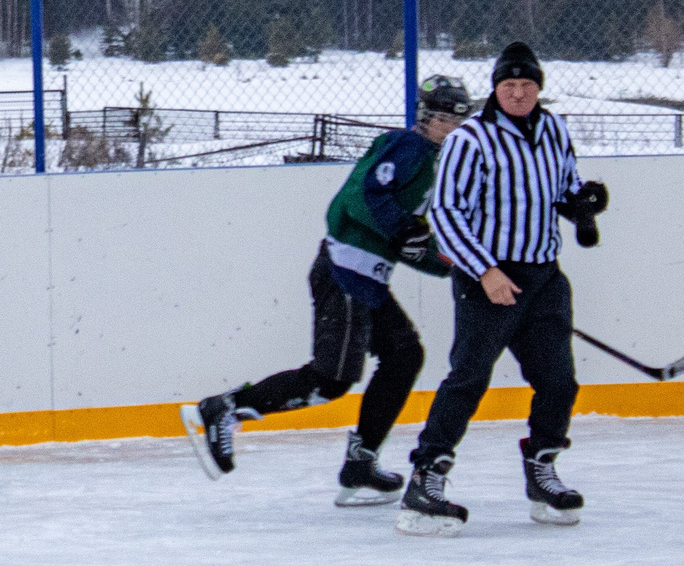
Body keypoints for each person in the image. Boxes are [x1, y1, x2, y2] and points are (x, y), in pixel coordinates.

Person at [183, 75, 471, 502]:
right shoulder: (407, 147)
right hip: (343, 272)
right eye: (442, 117)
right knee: (333, 379)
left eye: (457, 120)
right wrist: (404, 229)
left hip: (366, 278)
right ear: (426, 116)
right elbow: (360, 197)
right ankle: (222, 408)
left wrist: (460, 267)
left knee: (404, 355)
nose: (449, 127)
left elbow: (410, 243)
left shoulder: (436, 163)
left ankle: (360, 463)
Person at [398, 41, 606, 537]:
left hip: (544, 276)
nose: (517, 93)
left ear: (538, 88)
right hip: (486, 276)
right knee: (468, 380)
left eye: (527, 85)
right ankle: (425, 481)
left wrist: (582, 204)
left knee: (559, 382)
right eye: (508, 85)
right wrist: (486, 272)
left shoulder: (553, 129)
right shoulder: (471, 139)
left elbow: (562, 186)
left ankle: (543, 469)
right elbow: (445, 214)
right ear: (495, 89)